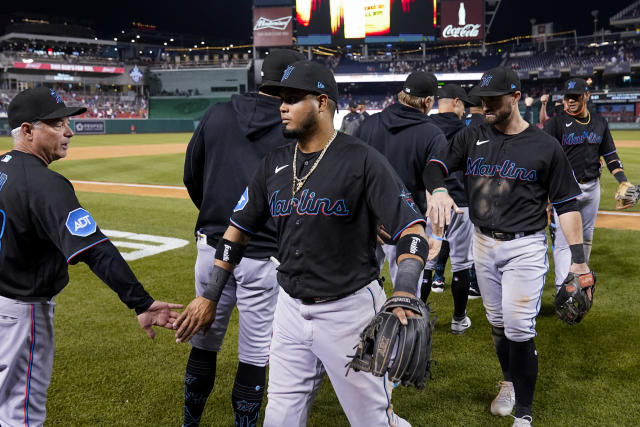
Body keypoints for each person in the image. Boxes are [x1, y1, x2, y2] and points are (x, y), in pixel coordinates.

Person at [174, 60, 441, 427]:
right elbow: (236, 231)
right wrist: (211, 293)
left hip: (349, 313)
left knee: (373, 421)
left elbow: (413, 229)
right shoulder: (275, 164)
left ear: (321, 102)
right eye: (281, 98)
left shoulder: (362, 160)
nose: (282, 106)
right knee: (279, 419)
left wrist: (406, 289)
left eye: (293, 99)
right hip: (289, 311)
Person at [0, 87, 182, 427]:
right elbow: (96, 251)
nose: (69, 132)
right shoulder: (44, 183)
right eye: (56, 124)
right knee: (20, 414)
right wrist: (141, 302)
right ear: (27, 131)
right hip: (19, 314)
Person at [425, 67, 593, 426]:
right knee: (498, 323)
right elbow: (435, 166)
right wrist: (438, 188)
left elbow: (566, 205)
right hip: (482, 242)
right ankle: (509, 382)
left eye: (493, 100)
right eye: (481, 99)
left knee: (518, 326)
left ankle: (525, 412)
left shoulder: (545, 145)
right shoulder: (473, 135)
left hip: (525, 247)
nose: (484, 105)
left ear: (516, 98)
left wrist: (578, 262)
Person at [181, 49, 305, 427]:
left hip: (212, 245)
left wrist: (223, 219)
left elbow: (191, 175)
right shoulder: (296, 126)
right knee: (253, 354)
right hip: (264, 255)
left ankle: (190, 423)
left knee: (203, 342)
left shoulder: (217, 113)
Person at [354, 71, 447, 290]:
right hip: (409, 225)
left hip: (368, 224)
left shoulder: (368, 125)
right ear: (427, 101)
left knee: (358, 292)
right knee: (406, 296)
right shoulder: (432, 133)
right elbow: (434, 187)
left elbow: (349, 176)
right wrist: (438, 235)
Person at [543, 77, 635, 291]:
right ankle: (562, 288)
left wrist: (622, 180)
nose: (571, 101)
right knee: (566, 240)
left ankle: (579, 278)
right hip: (566, 190)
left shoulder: (600, 123)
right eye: (568, 97)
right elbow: (544, 158)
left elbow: (611, 155)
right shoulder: (555, 124)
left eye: (576, 96)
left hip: (592, 188)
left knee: (586, 237)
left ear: (587, 95)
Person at [425, 83, 479, 333]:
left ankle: (419, 317)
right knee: (461, 264)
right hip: (461, 203)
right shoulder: (467, 130)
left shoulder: (426, 127)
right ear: (456, 102)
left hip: (431, 202)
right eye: (464, 104)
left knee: (426, 261)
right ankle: (458, 319)